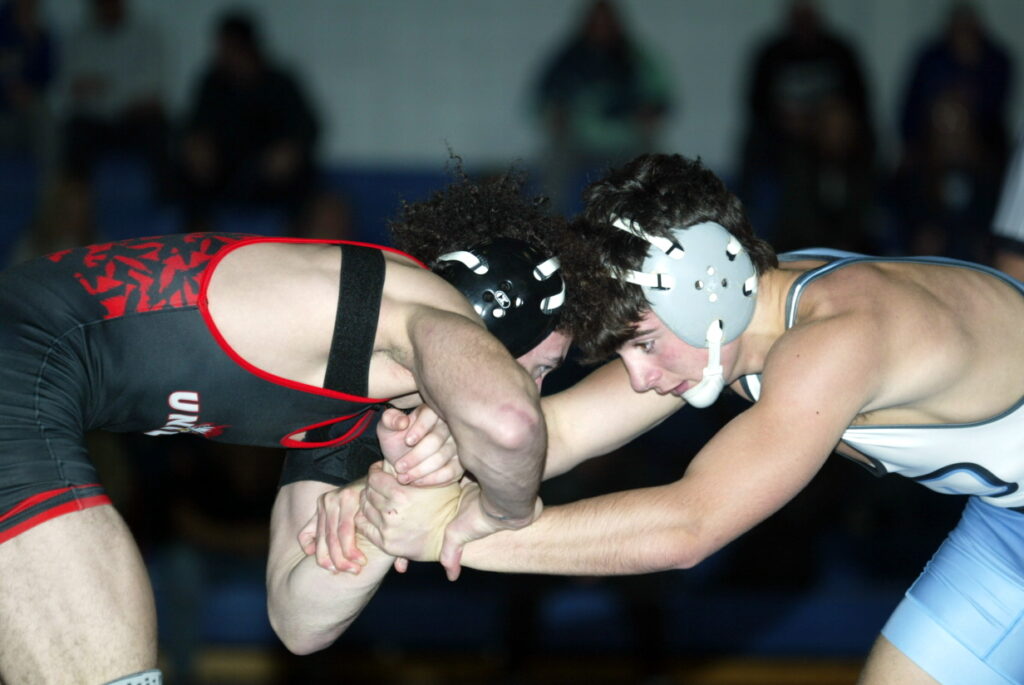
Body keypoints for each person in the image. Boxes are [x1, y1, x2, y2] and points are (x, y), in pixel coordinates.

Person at [314, 153, 1024, 684]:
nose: (641, 377)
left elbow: (689, 527)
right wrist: (411, 470)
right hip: (1003, 526)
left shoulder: (840, 338)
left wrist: (447, 531)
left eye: (645, 344)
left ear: (707, 286)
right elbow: (562, 430)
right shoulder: (734, 317)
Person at [0, 165, 576, 683]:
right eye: (538, 368)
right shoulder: (405, 304)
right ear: (487, 318)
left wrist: (390, 507)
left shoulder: (363, 406)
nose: (535, 389)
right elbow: (509, 422)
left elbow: (298, 619)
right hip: (20, 354)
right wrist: (503, 511)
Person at [178, 11, 320, 230]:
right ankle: (199, 245)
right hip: (223, 171)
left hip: (269, 173)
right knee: (187, 175)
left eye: (228, 46)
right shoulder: (213, 83)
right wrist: (196, 145)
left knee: (304, 179)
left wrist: (290, 149)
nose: (223, 53)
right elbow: (194, 125)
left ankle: (294, 242)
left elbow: (307, 127)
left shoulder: (279, 82)